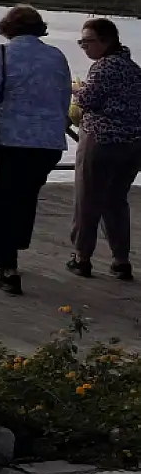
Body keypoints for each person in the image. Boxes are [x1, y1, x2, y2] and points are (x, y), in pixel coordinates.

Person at [0, 6, 72, 296]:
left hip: (11, 138)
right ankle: (15, 246)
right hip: (48, 142)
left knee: (0, 200)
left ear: (7, 28)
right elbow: (64, 94)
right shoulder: (56, 55)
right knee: (26, 196)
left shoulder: (1, 53)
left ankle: (8, 268)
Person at [68, 18, 141, 281]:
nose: (84, 47)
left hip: (100, 141)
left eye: (87, 42)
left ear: (105, 41)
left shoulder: (103, 68)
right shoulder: (133, 68)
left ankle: (82, 257)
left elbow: (87, 100)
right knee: (116, 201)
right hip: (132, 144)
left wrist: (77, 89)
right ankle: (121, 260)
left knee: (88, 199)